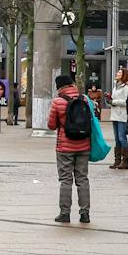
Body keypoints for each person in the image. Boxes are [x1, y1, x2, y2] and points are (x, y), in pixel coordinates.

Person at [47, 70, 92, 224]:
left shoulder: (58, 101)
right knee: (83, 179)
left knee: (66, 180)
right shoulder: (84, 99)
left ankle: (65, 213)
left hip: (65, 147)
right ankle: (85, 213)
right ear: (72, 85)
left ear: (59, 87)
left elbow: (51, 125)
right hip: (84, 145)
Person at [107, 67, 128, 172]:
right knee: (117, 139)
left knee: (122, 138)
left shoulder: (126, 87)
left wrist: (113, 102)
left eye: (119, 72)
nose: (117, 73)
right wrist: (109, 99)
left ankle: (125, 161)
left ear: (124, 75)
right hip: (115, 115)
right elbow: (115, 99)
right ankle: (117, 160)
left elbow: (127, 101)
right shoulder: (116, 85)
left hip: (122, 116)